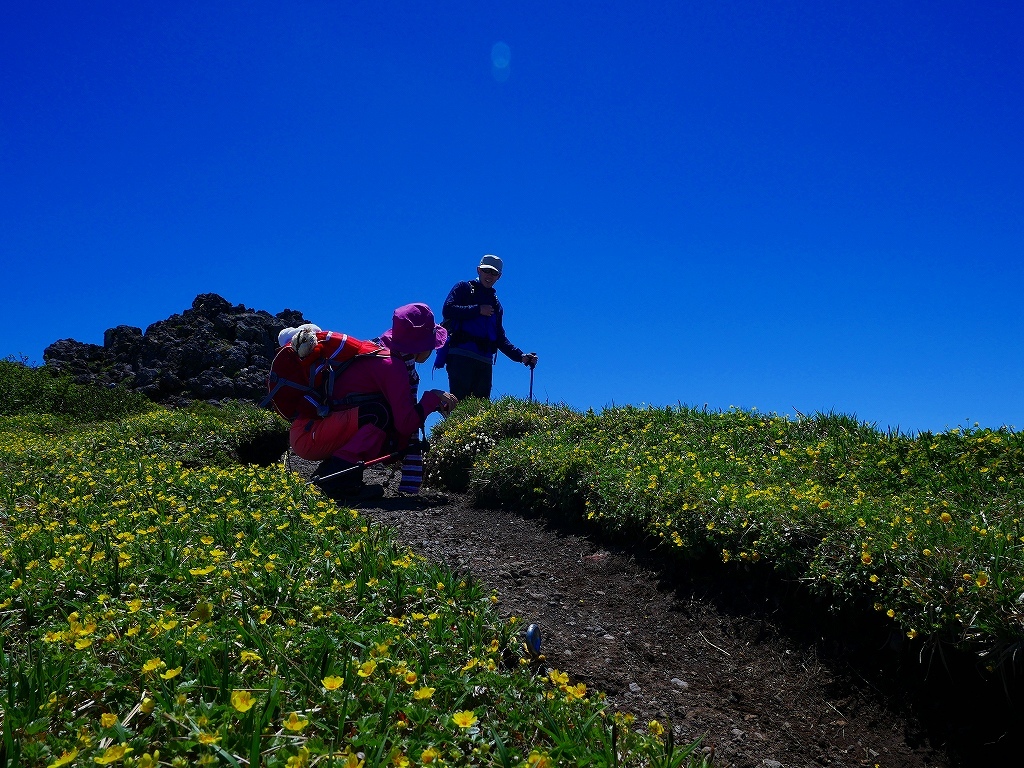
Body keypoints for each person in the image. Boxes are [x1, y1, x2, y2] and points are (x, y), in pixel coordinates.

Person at [312, 303, 458, 500]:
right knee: (383, 415)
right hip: (320, 434)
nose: (433, 348)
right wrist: (431, 399)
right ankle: (340, 482)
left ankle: (336, 474)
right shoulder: (393, 366)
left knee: (383, 412)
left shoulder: (384, 351)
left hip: (323, 426)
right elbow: (405, 425)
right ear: (420, 344)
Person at [435, 254, 538, 400]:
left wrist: (521, 356)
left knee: (480, 409)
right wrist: (478, 309)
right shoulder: (463, 288)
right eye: (486, 270)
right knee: (459, 405)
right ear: (478, 270)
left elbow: (499, 338)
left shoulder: (496, 305)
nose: (489, 275)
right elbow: (447, 310)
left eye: (494, 273)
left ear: (499, 277)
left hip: (484, 361)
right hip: (460, 356)